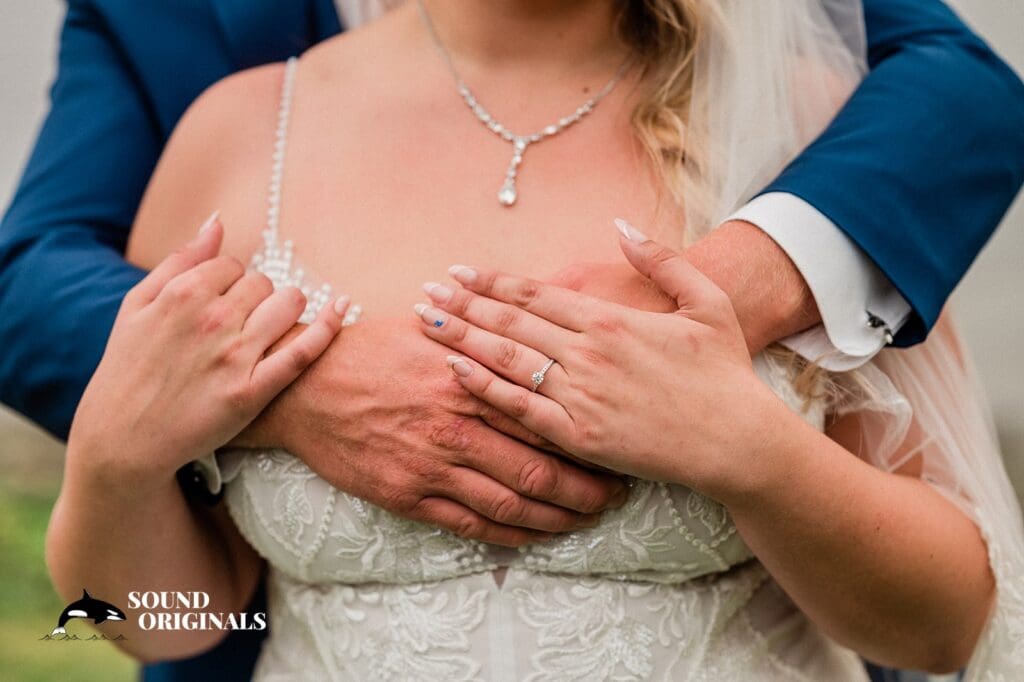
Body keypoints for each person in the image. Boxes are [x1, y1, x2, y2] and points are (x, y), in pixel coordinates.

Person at [2, 0, 1021, 679]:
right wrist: (114, 462)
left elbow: (946, 625)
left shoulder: (800, 130)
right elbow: (154, 621)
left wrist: (750, 452)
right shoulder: (235, 137)